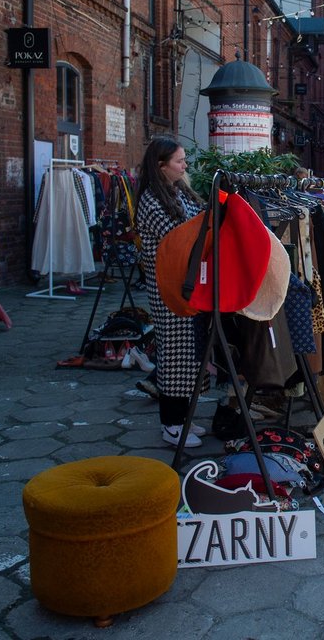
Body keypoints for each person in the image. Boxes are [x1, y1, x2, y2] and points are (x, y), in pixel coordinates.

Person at [135, 137, 207, 448]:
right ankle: (172, 424)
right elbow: (180, 238)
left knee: (189, 355)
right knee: (175, 355)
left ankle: (184, 418)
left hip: (185, 285)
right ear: (161, 165)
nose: (184, 165)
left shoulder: (178, 191)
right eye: (179, 161)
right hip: (169, 287)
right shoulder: (151, 201)